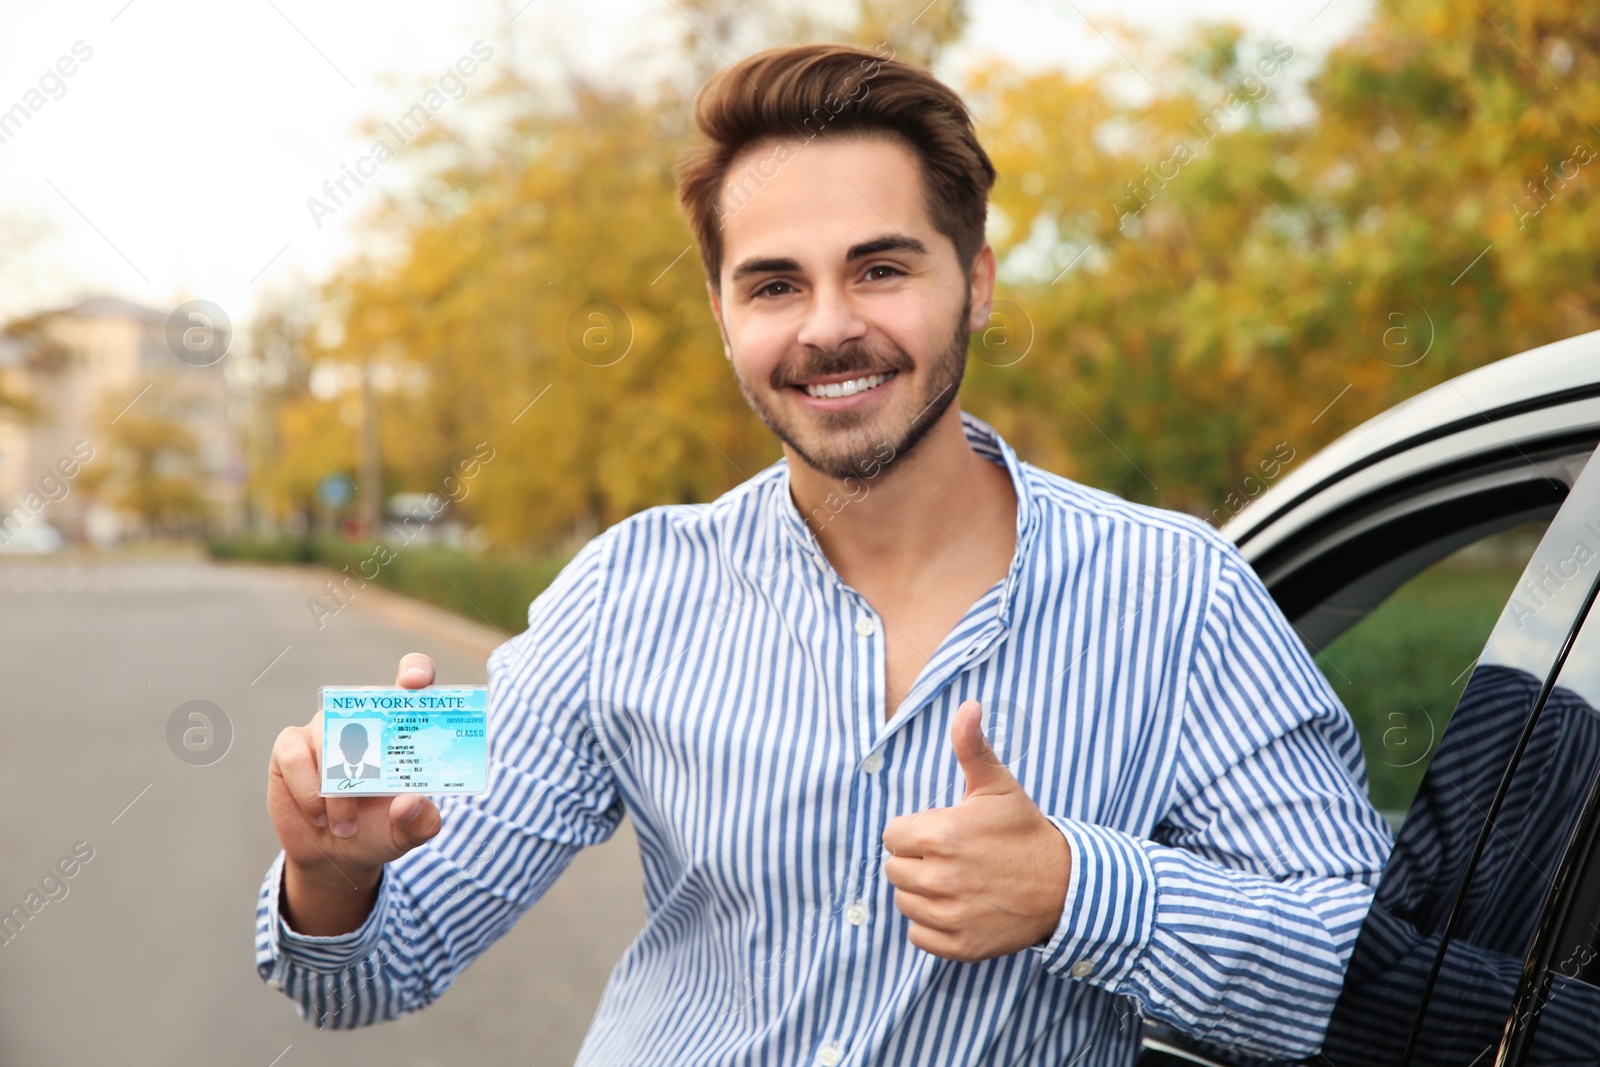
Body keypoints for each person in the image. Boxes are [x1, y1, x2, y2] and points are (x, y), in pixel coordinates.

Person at [257, 42, 1393, 1065]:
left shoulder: (1178, 594)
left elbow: (1374, 976)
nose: (827, 325)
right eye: (774, 284)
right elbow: (373, 968)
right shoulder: (624, 593)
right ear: (721, 315)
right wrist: (333, 872)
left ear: (976, 285)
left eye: (882, 268)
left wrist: (1078, 890)